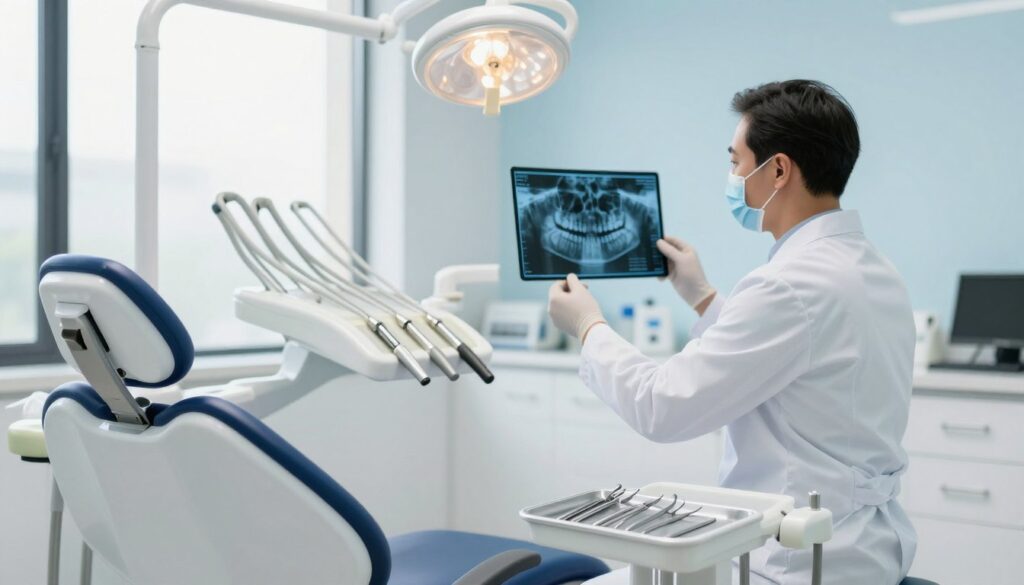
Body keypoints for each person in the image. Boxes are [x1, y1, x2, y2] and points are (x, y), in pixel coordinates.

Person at [547, 80, 917, 585]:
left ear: (779, 169)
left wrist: (588, 327)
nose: (732, 176)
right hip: (867, 546)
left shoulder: (789, 283)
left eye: (736, 161)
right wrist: (701, 296)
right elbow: (791, 358)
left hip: (794, 563)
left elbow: (663, 406)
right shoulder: (871, 267)